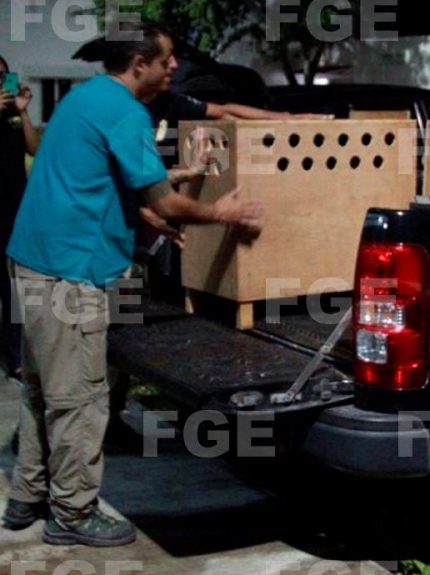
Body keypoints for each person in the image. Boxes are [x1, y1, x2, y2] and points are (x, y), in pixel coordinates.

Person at [0, 23, 262, 546]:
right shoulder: (126, 113)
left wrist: (169, 190)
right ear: (139, 63)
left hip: (33, 260)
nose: (174, 68)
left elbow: (107, 177)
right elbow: (163, 200)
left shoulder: (87, 97)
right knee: (81, 398)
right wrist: (222, 213)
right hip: (69, 271)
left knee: (43, 388)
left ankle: (28, 495)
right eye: (166, 59)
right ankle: (72, 513)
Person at [0, 55, 41, 378]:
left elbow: (34, 149)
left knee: (12, 286)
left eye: (4, 76)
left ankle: (15, 357)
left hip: (14, 208)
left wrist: (24, 111)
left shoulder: (13, 114)